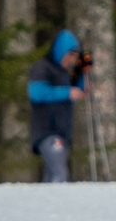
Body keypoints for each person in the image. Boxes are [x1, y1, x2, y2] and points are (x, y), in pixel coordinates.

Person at [27, 29, 89, 184]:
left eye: (75, 57)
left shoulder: (62, 74)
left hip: (60, 132)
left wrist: (82, 69)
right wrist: (67, 93)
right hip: (48, 131)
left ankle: (45, 205)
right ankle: (57, 205)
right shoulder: (42, 68)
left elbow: (77, 91)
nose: (71, 61)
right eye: (71, 56)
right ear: (61, 51)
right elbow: (36, 93)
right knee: (60, 173)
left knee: (51, 175)